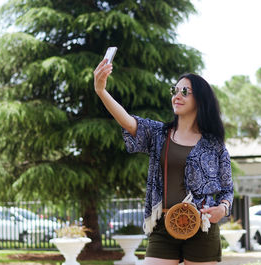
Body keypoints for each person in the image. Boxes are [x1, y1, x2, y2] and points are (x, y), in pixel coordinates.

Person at [94, 59, 233, 265]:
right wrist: (101, 90)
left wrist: (222, 209)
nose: (177, 96)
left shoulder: (214, 144)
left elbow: (227, 189)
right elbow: (127, 120)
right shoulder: (159, 134)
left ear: (201, 100)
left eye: (184, 92)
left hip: (202, 226)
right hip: (163, 225)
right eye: (174, 91)